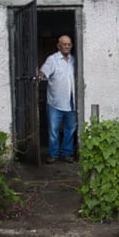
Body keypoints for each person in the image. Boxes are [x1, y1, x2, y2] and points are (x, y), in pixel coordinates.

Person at [38, 35, 76, 164]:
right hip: (55, 102)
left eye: (69, 44)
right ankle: (53, 154)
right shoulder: (52, 60)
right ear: (58, 46)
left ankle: (67, 153)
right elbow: (42, 74)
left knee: (70, 129)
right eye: (64, 44)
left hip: (71, 101)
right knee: (53, 130)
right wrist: (39, 75)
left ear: (71, 46)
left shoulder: (73, 60)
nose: (67, 46)